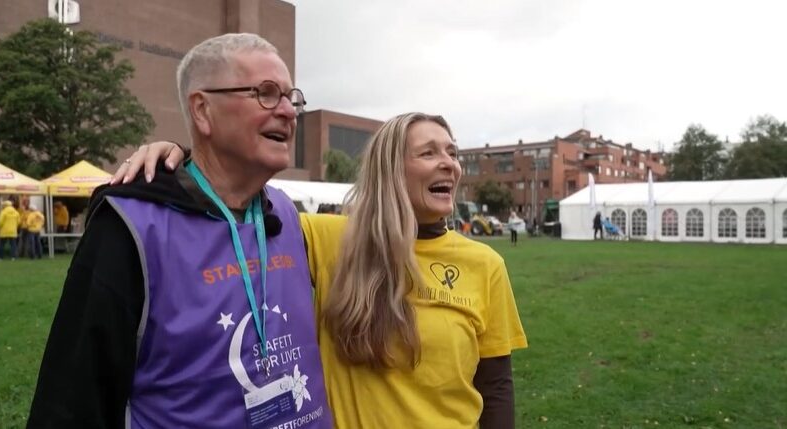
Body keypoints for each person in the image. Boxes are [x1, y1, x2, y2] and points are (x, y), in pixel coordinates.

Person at [116, 112, 528, 428]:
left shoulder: (485, 265)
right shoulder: (326, 238)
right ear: (390, 170)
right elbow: (236, 200)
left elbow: (496, 385)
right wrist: (182, 156)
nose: (450, 164)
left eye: (452, 153)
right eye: (429, 153)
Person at [28, 33, 332, 429]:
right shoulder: (132, 225)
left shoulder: (286, 216)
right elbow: (72, 402)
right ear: (202, 111)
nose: (289, 112)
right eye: (266, 93)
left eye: (291, 98)